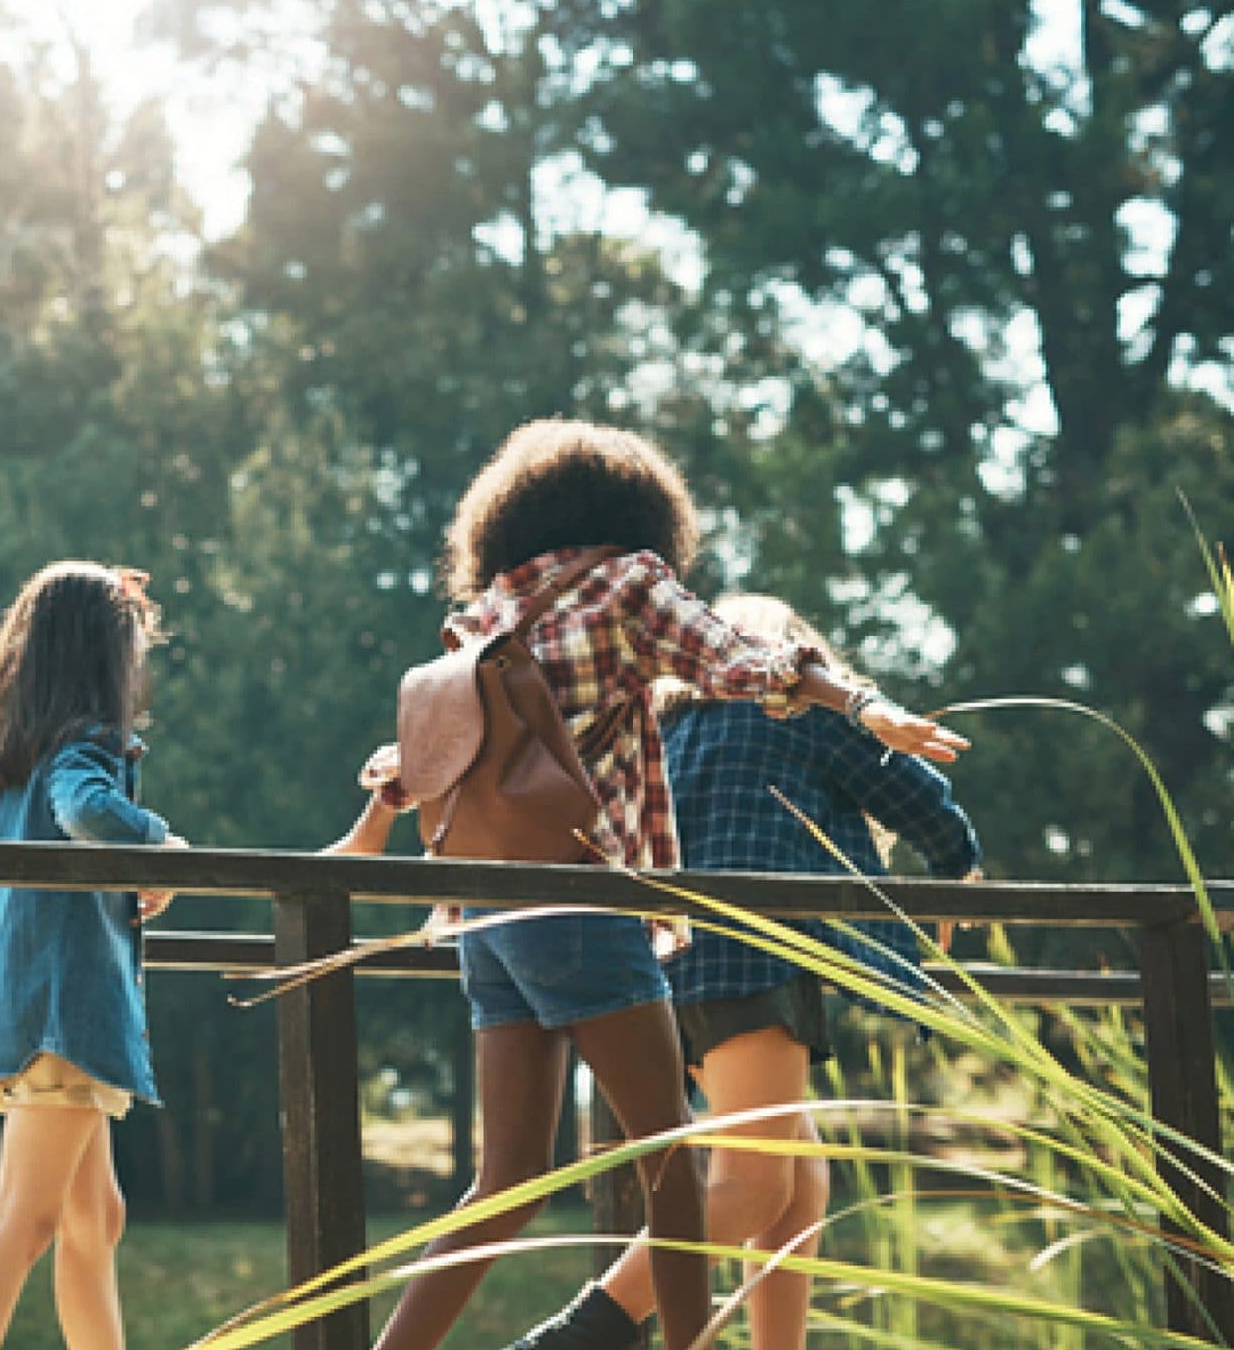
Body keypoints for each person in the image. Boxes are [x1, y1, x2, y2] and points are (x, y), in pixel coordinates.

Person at [325, 419, 967, 1350]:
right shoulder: (628, 585)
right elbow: (748, 659)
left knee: (503, 1177)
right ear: (640, 511)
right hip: (580, 904)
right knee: (670, 1161)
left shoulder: (491, 613)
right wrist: (863, 704)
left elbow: (424, 760)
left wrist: (366, 830)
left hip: (485, 915)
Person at [503, 594, 982, 1350]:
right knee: (752, 1186)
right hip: (750, 960)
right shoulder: (803, 704)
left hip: (663, 970)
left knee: (800, 1180)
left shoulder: (666, 726)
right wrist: (958, 862)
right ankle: (573, 1338)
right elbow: (910, 787)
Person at [0, 563, 186, 1350]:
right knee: (22, 1220)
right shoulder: (86, 742)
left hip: (11, 1005)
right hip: (64, 1013)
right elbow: (85, 810)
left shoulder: (3, 756)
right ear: (102, 659)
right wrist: (160, 847)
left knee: (94, 1218)